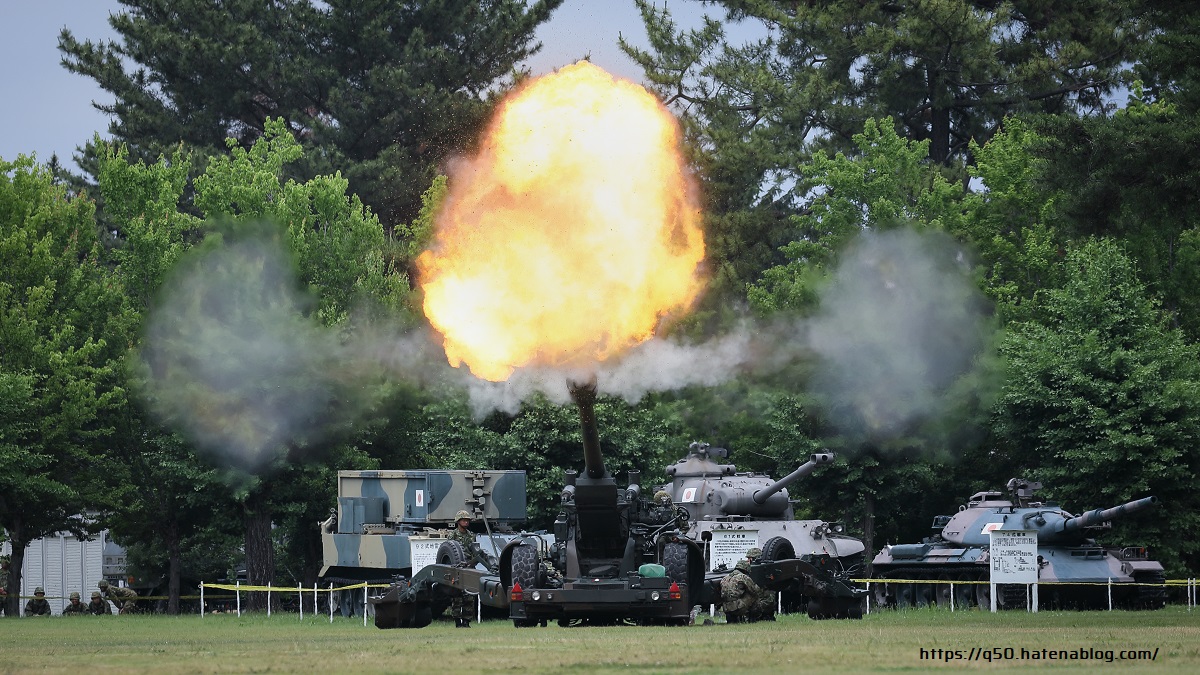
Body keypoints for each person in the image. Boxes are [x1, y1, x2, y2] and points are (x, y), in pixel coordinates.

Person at [447, 510, 476, 628]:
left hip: (469, 567)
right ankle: (457, 621)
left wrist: (472, 564)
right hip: (456, 568)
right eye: (464, 520)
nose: (466, 522)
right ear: (458, 521)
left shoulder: (471, 535)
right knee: (457, 596)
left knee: (469, 596)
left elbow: (475, 551)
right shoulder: (452, 535)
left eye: (467, 520)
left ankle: (467, 621)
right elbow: (448, 551)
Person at [720, 558, 763, 624]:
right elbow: (755, 590)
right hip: (738, 607)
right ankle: (753, 619)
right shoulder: (743, 577)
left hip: (726, 608)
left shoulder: (725, 577)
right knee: (753, 596)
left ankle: (732, 620)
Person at [744, 547, 777, 621]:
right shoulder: (763, 570)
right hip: (766, 603)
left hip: (763, 603)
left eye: (749, 558)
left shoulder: (758, 573)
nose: (748, 561)